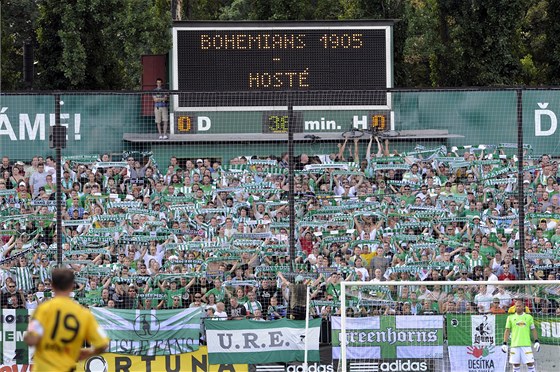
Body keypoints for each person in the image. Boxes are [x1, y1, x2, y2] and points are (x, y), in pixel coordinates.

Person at [24, 268, 109, 372]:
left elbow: (30, 339)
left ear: (53, 286)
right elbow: (103, 344)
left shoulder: (42, 310)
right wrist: (88, 353)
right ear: (72, 286)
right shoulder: (83, 313)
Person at [502, 299, 540, 372]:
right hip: (514, 345)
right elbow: (507, 330)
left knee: (530, 363)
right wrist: (504, 343)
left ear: (523, 307)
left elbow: (533, 329)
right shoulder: (510, 317)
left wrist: (536, 341)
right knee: (515, 365)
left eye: (519, 306)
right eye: (516, 306)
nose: (518, 307)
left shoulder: (529, 317)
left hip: (526, 345)